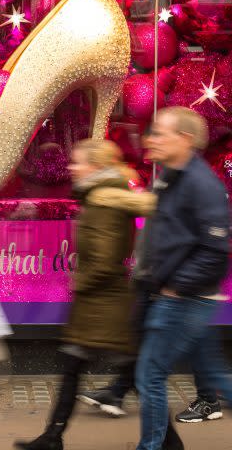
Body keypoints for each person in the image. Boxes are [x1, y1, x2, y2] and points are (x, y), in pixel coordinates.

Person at [15, 139, 158, 450]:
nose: (71, 167)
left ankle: (53, 438)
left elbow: (106, 259)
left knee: (135, 378)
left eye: (78, 162)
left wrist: (78, 281)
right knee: (85, 371)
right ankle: (52, 437)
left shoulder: (104, 203)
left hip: (105, 306)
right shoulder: (97, 198)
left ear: (95, 167)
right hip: (99, 305)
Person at [133, 107, 232, 450]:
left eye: (161, 133)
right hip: (174, 295)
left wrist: (176, 286)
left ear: (185, 139)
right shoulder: (171, 177)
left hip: (184, 299)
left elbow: (216, 249)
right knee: (216, 377)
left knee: (150, 375)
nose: (152, 139)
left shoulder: (201, 183)